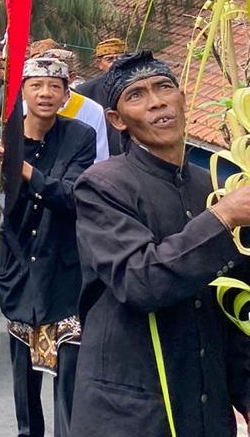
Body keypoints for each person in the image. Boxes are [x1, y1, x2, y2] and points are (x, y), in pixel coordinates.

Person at [71, 51, 250, 436]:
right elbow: (140, 282)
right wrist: (222, 218)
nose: (156, 102)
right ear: (117, 120)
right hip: (131, 406)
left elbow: (235, 304)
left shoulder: (216, 185)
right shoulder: (101, 186)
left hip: (204, 402)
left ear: (183, 98)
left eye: (164, 88)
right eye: (136, 95)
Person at [0, 57, 96, 437]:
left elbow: (72, 198)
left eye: (54, 86)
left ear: (65, 93)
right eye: (36, 85)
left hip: (65, 273)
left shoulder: (80, 137)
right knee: (24, 383)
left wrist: (23, 169)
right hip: (19, 274)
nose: (45, 93)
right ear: (21, 91)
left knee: (69, 381)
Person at [75, 38, 127, 155]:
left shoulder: (137, 86)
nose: (116, 63)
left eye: (120, 58)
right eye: (109, 59)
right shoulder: (85, 90)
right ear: (99, 64)